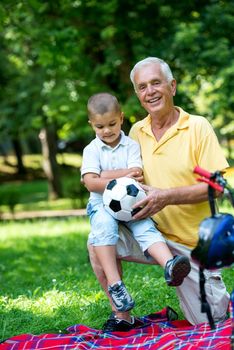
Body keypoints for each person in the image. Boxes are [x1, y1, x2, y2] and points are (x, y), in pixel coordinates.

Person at [87, 58, 230, 332]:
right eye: (142, 87)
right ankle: (122, 314)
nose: (150, 91)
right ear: (138, 95)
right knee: (98, 241)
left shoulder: (197, 127)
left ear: (172, 86)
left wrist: (165, 196)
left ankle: (196, 284)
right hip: (149, 234)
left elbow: (218, 188)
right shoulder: (135, 133)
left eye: (156, 83)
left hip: (192, 247)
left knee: (211, 323)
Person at [81, 92, 191, 318]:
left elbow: (137, 175)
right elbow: (91, 184)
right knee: (103, 228)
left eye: (112, 124)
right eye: (100, 127)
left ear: (121, 118)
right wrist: (120, 174)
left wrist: (103, 175)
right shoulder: (91, 150)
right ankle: (115, 285)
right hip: (101, 206)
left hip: (130, 203)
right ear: (91, 124)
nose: (107, 131)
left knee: (145, 227)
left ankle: (170, 265)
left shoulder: (131, 145)